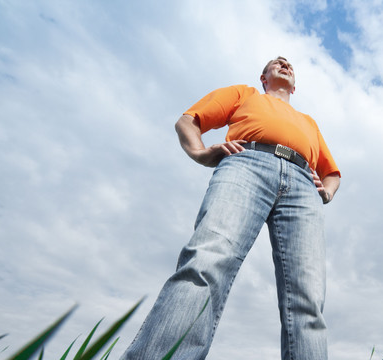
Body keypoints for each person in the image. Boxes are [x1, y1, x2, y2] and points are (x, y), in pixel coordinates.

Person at [120, 56, 341, 360]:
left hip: (303, 185)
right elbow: (188, 120)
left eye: (288, 63)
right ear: (263, 78)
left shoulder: (309, 123)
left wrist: (325, 193)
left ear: (295, 84)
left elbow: (331, 172)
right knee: (208, 260)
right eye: (275, 63)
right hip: (247, 162)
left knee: (309, 298)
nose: (284, 63)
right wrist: (198, 151)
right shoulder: (245, 95)